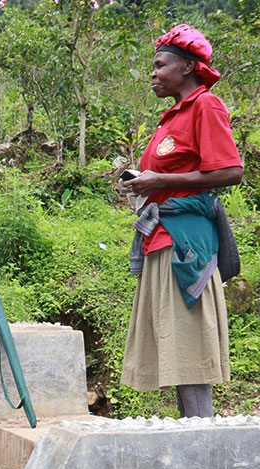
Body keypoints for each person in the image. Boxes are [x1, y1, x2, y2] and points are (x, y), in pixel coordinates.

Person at [121, 24, 243, 418]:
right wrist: (143, 185)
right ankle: (190, 434)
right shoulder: (171, 117)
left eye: (161, 64)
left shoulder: (205, 106)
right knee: (174, 349)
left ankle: (203, 440)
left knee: (188, 349)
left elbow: (229, 171)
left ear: (188, 67)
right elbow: (168, 176)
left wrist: (161, 180)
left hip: (185, 244)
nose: (153, 73)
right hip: (160, 237)